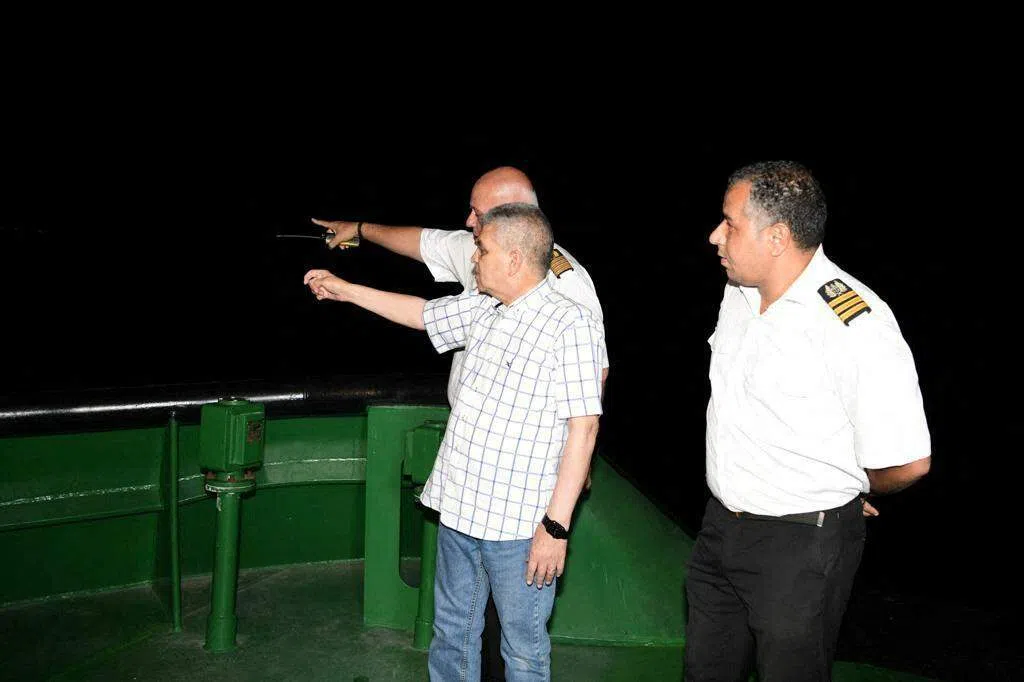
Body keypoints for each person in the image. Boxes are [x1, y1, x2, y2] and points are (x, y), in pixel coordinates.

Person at [314, 166, 607, 680]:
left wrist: (555, 528)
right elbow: (423, 313)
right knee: (452, 632)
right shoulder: (487, 304)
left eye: (482, 250)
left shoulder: (571, 319)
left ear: (513, 258)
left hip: (519, 524)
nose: (473, 257)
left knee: (523, 649)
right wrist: (347, 290)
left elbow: (584, 427)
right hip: (460, 507)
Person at [686, 161, 931, 681]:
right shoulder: (739, 291)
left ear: (777, 237)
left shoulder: (853, 323)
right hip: (720, 530)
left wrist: (851, 489)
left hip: (800, 547)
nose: (715, 236)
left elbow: (909, 461)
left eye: (730, 224)